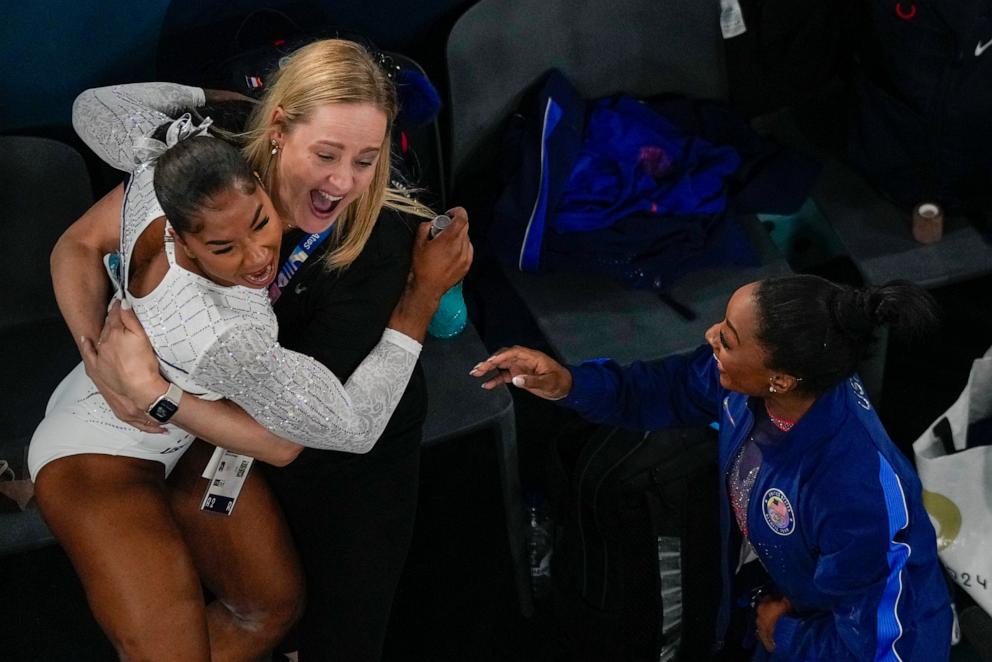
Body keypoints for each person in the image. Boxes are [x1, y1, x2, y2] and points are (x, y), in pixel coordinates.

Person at [51, 39, 471, 661]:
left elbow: (309, 435)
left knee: (279, 616)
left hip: (254, 438)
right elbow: (78, 242)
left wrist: (151, 393)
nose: (342, 181)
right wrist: (106, 366)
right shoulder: (204, 223)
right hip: (152, 428)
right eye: (326, 154)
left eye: (366, 160)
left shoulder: (194, 175)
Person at [471, 275, 953, 661]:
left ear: (781, 378)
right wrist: (567, 383)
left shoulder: (856, 493)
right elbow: (664, 389)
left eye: (728, 337)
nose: (710, 337)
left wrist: (783, 633)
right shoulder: (744, 385)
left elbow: (877, 646)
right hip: (778, 601)